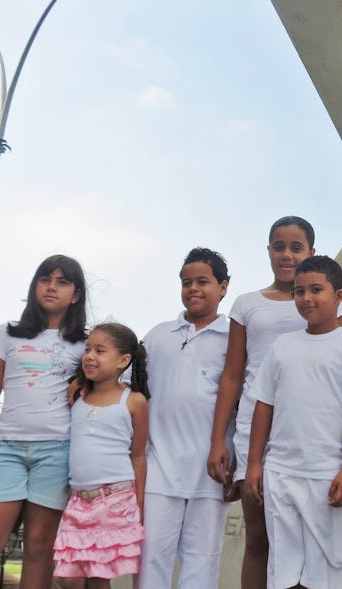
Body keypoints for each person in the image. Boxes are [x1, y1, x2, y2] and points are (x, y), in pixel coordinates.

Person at [207, 215, 342, 589]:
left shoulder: (331, 298)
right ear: (269, 251)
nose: (287, 255)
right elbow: (233, 375)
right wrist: (218, 439)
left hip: (313, 437)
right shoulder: (247, 303)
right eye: (279, 246)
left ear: (311, 252)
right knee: (260, 539)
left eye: (296, 247)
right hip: (254, 431)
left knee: (308, 546)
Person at [246, 255, 342, 589]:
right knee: (285, 570)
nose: (306, 298)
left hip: (326, 475)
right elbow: (263, 406)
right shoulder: (282, 345)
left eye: (316, 289)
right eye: (299, 291)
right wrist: (255, 464)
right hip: (281, 473)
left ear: (339, 296)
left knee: (331, 570)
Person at [138, 247, 233, 589]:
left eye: (202, 282)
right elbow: (125, 383)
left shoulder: (235, 340)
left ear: (223, 287)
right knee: (151, 559)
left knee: (202, 561)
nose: (192, 288)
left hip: (211, 471)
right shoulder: (157, 335)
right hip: (158, 467)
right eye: (186, 282)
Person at [0, 254, 88, 589]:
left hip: (57, 450)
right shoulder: (6, 333)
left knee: (38, 545)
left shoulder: (85, 343)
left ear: (75, 295)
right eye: (45, 279)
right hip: (6, 448)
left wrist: (85, 381)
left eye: (63, 282)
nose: (52, 287)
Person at [52, 322, 149, 588]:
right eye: (88, 349)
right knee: (66, 577)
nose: (90, 356)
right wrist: (76, 382)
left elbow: (138, 455)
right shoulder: (78, 396)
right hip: (78, 502)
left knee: (97, 578)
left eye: (100, 350)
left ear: (123, 361)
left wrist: (138, 504)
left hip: (115, 500)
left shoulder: (134, 401)